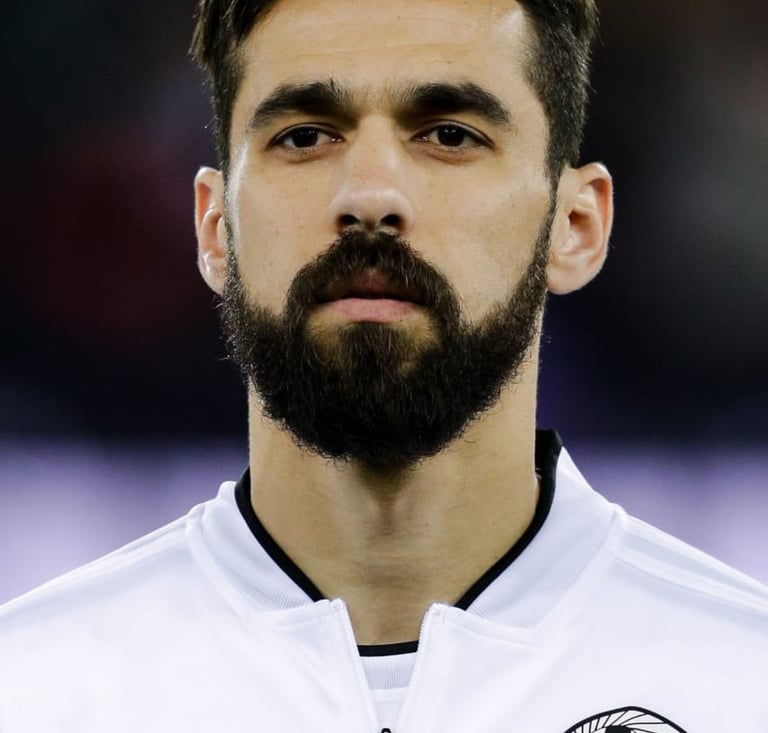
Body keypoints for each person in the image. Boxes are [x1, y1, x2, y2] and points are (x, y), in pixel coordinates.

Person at [1, 0, 766, 730]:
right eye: (305, 136)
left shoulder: (743, 684)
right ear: (214, 227)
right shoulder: (31, 691)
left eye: (449, 135)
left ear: (576, 224)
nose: (370, 195)